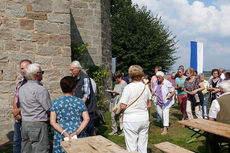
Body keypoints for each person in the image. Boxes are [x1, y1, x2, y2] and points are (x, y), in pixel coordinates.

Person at [50, 76, 90, 152]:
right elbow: (87, 119)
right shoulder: (80, 101)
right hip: (78, 134)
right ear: (73, 88)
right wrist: (76, 132)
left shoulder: (56, 102)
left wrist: (64, 133)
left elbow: (52, 122)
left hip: (61, 134)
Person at [19, 63, 51, 153]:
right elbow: (48, 108)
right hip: (38, 123)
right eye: (42, 72)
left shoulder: (22, 88)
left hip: (25, 123)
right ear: (37, 74)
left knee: (26, 150)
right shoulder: (40, 89)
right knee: (40, 150)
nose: (42, 74)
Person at [120, 65, 151, 153]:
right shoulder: (146, 87)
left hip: (131, 119)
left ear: (130, 75)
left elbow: (122, 105)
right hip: (144, 118)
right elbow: (149, 105)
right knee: (143, 146)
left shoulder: (128, 88)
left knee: (131, 147)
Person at [69, 61, 97, 136]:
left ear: (78, 69)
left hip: (88, 108)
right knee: (83, 129)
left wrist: (77, 107)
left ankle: (93, 144)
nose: (70, 72)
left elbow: (86, 96)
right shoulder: (75, 78)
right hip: (81, 107)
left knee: (89, 128)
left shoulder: (85, 78)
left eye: (72, 70)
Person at [12, 59, 31, 153]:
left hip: (28, 118)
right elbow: (15, 97)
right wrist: (15, 112)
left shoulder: (34, 83)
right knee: (16, 142)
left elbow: (32, 102)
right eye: (21, 68)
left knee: (27, 143)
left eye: (26, 68)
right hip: (18, 118)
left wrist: (18, 110)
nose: (23, 70)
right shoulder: (19, 82)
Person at [207, 80, 230, 153]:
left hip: (223, 133)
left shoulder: (217, 101)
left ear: (221, 90)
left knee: (210, 136)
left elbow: (211, 120)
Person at [108, 71, 127, 136]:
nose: (116, 79)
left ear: (120, 77)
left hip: (121, 103)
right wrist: (112, 93)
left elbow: (126, 93)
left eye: (117, 78)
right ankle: (114, 130)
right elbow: (115, 93)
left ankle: (124, 131)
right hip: (116, 103)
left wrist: (117, 92)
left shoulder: (124, 83)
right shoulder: (116, 84)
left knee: (121, 117)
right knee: (113, 116)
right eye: (115, 78)